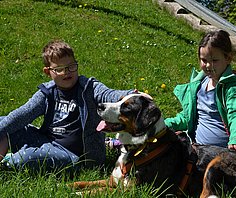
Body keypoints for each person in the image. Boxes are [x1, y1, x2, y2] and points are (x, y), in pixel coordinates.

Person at [0, 40, 135, 172]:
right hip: (48, 142)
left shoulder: (88, 88)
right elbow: (22, 115)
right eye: (59, 69)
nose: (67, 72)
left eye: (71, 67)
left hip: (76, 157)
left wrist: (131, 94)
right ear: (48, 72)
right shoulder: (47, 93)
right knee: (5, 122)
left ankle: (8, 163)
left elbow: (109, 94)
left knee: (27, 158)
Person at [165, 29, 236, 156]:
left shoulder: (235, 87)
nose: (208, 65)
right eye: (204, 60)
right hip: (197, 149)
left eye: (214, 60)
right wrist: (164, 124)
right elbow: (188, 117)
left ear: (228, 58)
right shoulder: (200, 84)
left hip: (224, 154)